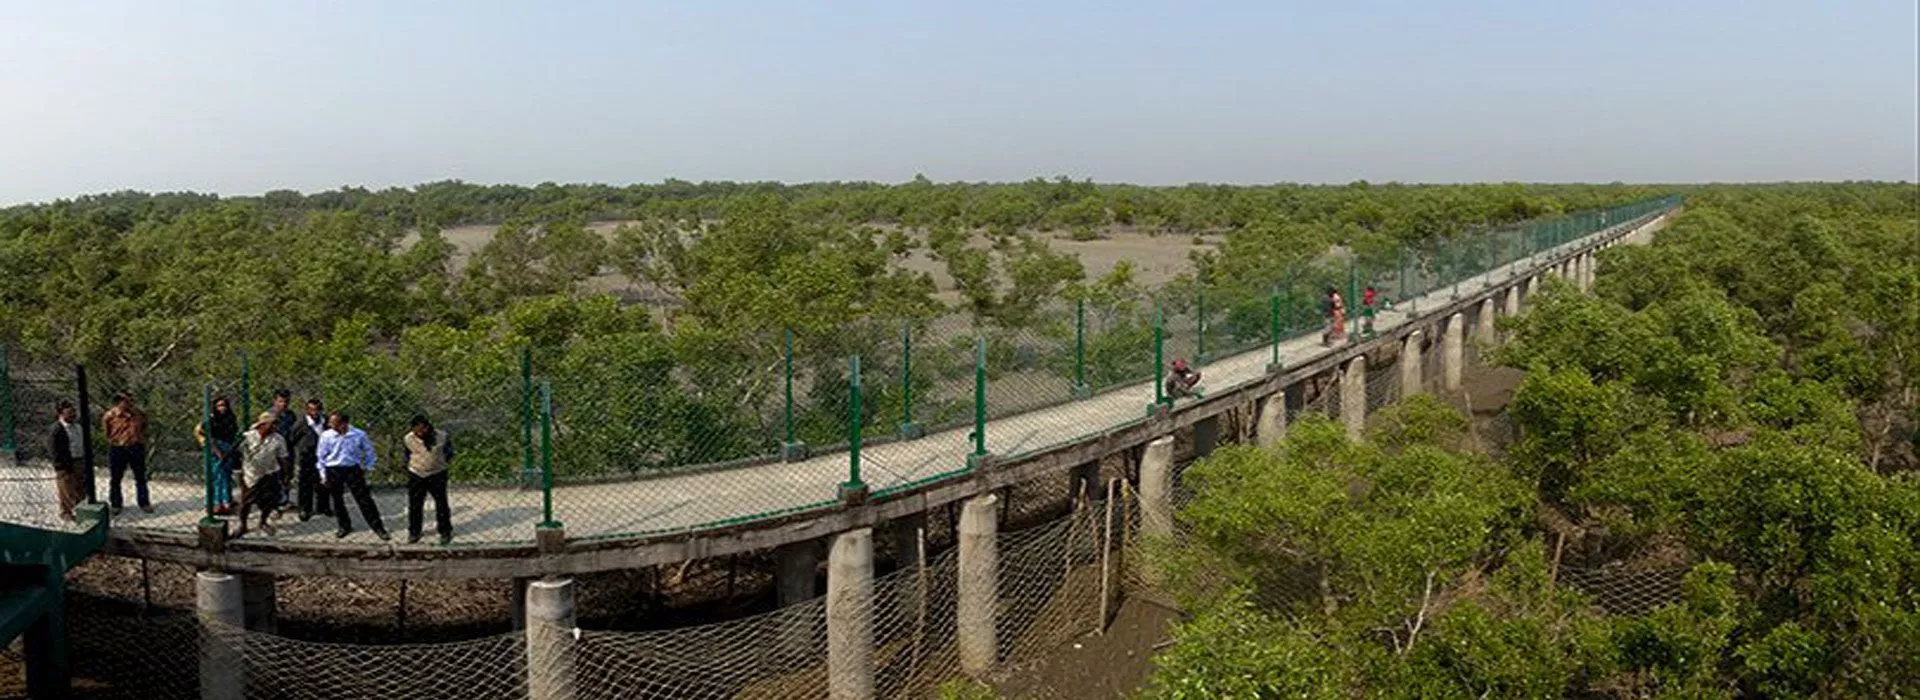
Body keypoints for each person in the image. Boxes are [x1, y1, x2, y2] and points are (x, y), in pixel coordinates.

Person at [318, 411, 389, 540]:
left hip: (352, 469)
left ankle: (378, 527)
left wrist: (367, 467)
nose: (330, 425)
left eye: (333, 423)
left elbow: (369, 451)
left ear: (343, 423)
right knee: (337, 500)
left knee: (364, 499)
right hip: (333, 469)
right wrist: (323, 475)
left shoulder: (358, 434)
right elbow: (321, 457)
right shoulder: (326, 436)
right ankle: (344, 526)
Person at [402, 414, 455, 545]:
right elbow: (407, 454)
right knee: (415, 505)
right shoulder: (408, 438)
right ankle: (414, 532)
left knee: (441, 503)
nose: (419, 433)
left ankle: (445, 531)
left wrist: (439, 462)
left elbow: (450, 452)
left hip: (437, 473)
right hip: (416, 474)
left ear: (428, 427)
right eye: (416, 430)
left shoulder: (441, 436)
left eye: (422, 430)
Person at [233, 412, 288, 539]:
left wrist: (285, 475)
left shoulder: (278, 439)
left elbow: (283, 458)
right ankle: (243, 525)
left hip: (270, 473)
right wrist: (238, 470)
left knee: (268, 501)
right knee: (246, 501)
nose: (275, 426)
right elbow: (236, 454)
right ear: (262, 425)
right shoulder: (247, 437)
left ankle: (263, 521)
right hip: (251, 474)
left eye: (276, 424)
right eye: (272, 424)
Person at [100, 391, 153, 514]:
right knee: (115, 479)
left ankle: (144, 502)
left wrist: (139, 438)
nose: (131, 403)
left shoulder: (139, 414)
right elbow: (106, 432)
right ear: (118, 402)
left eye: (131, 400)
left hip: (136, 447)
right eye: (127, 401)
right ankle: (116, 504)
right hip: (118, 448)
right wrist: (117, 439)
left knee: (141, 477)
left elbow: (144, 427)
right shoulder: (110, 416)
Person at [194, 396, 241, 515]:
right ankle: (215, 502)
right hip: (214, 448)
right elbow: (208, 436)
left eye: (224, 405)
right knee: (215, 475)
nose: (222, 408)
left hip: (228, 446)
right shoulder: (211, 419)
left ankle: (226, 501)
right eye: (219, 405)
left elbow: (234, 433)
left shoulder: (231, 418)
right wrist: (217, 451)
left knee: (226, 475)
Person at [287, 398, 331, 521]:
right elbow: (291, 439)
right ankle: (305, 509)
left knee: (323, 482)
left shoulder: (326, 422)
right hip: (307, 457)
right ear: (307, 410)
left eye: (317, 410)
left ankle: (323, 507)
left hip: (324, 457)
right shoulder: (301, 423)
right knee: (305, 484)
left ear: (321, 410)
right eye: (311, 410)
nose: (315, 413)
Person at [48, 401, 86, 522]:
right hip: (65, 463)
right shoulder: (57, 429)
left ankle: (82, 509)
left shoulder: (78, 427)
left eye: (73, 412)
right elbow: (53, 449)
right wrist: (59, 465)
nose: (73, 415)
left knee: (80, 487)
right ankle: (65, 512)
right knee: (65, 489)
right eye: (69, 413)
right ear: (61, 414)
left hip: (79, 459)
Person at [268, 390, 297, 512]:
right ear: (274, 401)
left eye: (286, 401)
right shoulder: (268, 415)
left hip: (288, 449)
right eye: (280, 401)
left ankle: (284, 499)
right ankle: (273, 504)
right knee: (274, 476)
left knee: (287, 475)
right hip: (273, 451)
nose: (284, 404)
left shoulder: (291, 415)